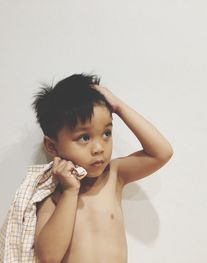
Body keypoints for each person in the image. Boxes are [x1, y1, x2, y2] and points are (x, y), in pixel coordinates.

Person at [31, 73, 174, 263]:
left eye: (106, 133)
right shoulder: (52, 193)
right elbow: (48, 257)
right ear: (52, 146)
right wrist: (70, 192)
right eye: (84, 137)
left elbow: (162, 152)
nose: (99, 148)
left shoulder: (114, 175)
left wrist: (119, 107)